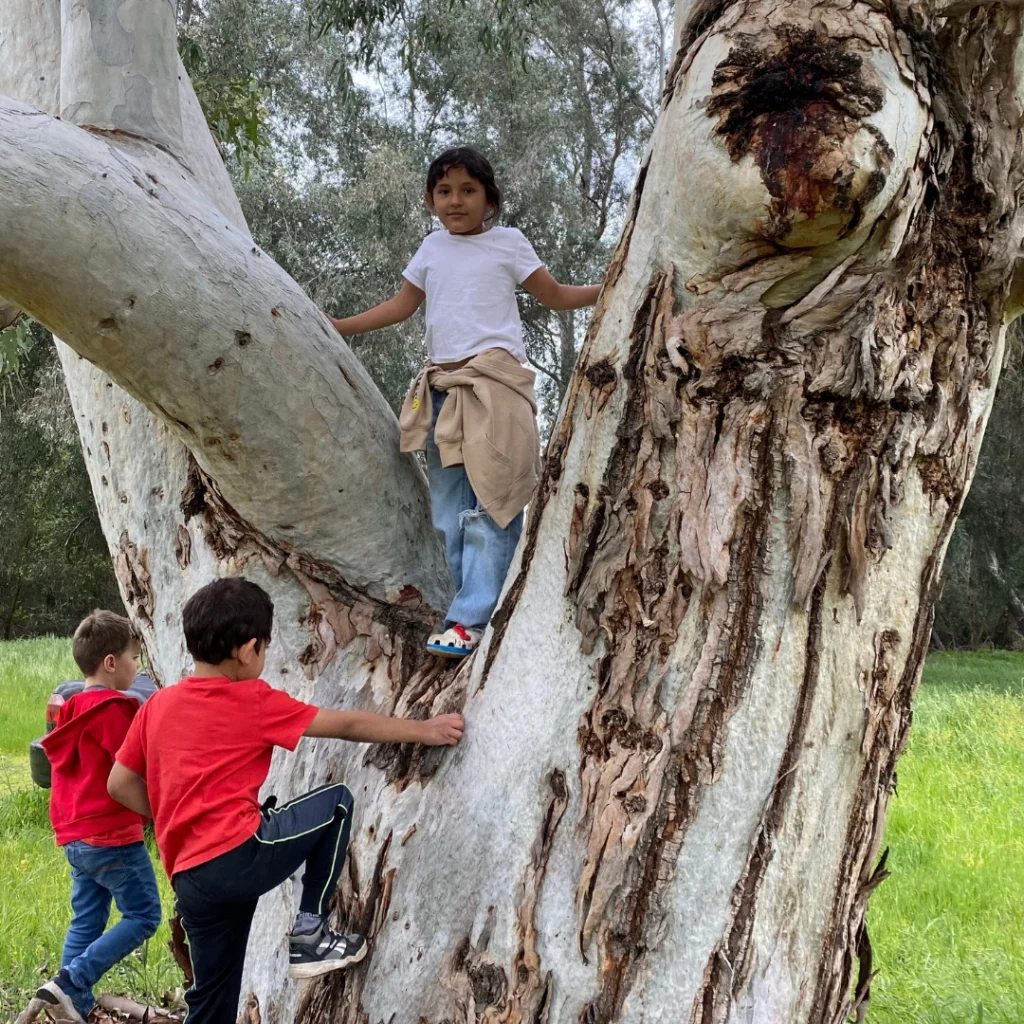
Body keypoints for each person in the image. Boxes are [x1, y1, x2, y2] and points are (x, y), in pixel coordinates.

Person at [107, 577, 464, 1024]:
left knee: (212, 1004)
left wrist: (172, 813)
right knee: (336, 804)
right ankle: (311, 932)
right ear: (248, 650)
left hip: (192, 880)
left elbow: (118, 784)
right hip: (239, 854)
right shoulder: (251, 699)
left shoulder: (156, 706)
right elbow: (346, 726)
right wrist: (424, 730)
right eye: (265, 647)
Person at [329, 146, 602, 658]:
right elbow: (401, 306)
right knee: (450, 510)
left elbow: (555, 295)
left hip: (493, 387)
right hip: (441, 391)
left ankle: (473, 618)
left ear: (489, 199)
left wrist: (611, 285)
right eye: (444, 191)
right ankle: (462, 612)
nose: (456, 200)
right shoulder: (432, 248)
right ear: (430, 201)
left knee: (491, 502)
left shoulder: (508, 243)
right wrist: (341, 327)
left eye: (468, 190)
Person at [36, 611, 162, 1024]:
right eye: (133, 658)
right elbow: (132, 769)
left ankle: (69, 1003)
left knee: (87, 918)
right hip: (112, 837)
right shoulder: (116, 710)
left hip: (75, 837)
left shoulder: (72, 708)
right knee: (144, 914)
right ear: (111, 662)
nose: (137, 666)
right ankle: (73, 981)